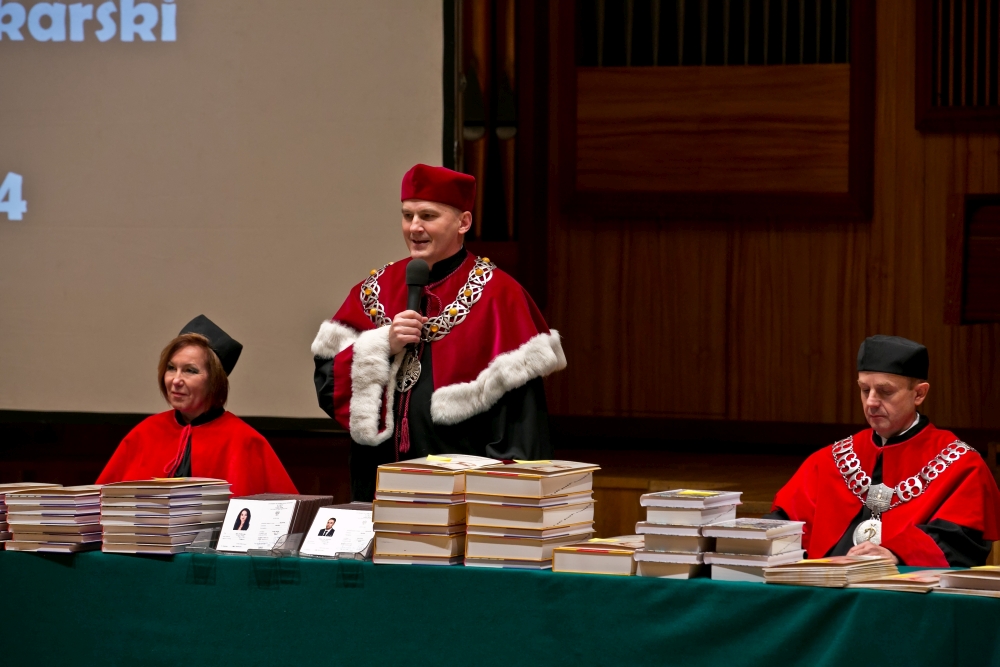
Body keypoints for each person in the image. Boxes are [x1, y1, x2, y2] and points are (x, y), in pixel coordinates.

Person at [312, 164, 565, 500]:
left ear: (463, 222)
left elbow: (521, 424)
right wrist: (381, 345)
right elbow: (329, 385)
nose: (414, 227)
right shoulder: (375, 290)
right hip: (378, 487)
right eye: (407, 216)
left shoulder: (500, 297)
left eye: (428, 216)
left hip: (463, 494)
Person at [766, 335, 1000, 567]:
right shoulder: (829, 459)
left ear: (919, 394)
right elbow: (782, 525)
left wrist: (898, 552)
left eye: (885, 391)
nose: (871, 402)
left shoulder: (961, 464)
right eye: (864, 389)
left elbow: (961, 541)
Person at [97, 315, 298, 497]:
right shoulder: (145, 433)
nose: (176, 380)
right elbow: (101, 506)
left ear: (214, 380)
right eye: (171, 368)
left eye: (190, 371)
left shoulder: (245, 441)